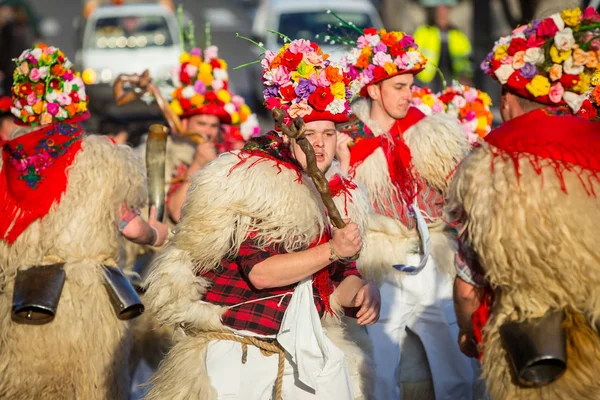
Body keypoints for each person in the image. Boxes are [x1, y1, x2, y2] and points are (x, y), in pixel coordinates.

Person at [143, 38, 379, 400]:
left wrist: (362, 293)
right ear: (287, 133)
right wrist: (333, 249)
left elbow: (338, 277)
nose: (320, 144)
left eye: (329, 133)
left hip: (305, 352)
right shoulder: (257, 181)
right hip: (240, 353)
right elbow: (262, 272)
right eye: (309, 133)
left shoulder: (341, 193)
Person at [0, 44, 167, 399]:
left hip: (21, 308)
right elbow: (131, 227)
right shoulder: (102, 159)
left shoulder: (5, 164)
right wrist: (157, 234)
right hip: (88, 310)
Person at [450, 6, 600, 399]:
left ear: (506, 98)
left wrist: (470, 330)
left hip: (530, 348)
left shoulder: (487, 160)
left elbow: (469, 280)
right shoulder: (593, 142)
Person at [339, 27, 473, 399]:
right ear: (372, 90)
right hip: (379, 267)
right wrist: (347, 163)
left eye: (410, 85)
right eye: (398, 86)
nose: (407, 94)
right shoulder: (347, 136)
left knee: (457, 368)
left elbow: (456, 194)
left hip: (432, 261)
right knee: (378, 373)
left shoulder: (430, 131)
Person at [414, 0, 473, 92]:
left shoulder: (458, 35)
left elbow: (466, 59)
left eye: (444, 13)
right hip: (428, 78)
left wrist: (466, 75)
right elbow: (413, 54)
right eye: (439, 13)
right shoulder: (424, 32)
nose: (442, 15)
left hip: (452, 76)